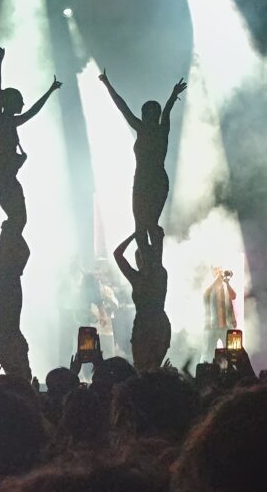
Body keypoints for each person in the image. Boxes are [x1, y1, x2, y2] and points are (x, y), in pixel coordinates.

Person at [99, 70, 186, 236]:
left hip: (147, 181)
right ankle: (152, 252)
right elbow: (165, 111)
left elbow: (122, 107)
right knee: (148, 226)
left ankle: (152, 251)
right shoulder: (159, 130)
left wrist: (107, 84)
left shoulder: (144, 129)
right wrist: (173, 95)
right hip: (153, 180)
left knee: (143, 227)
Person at [0, 42, 61, 231]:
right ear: (10, 102)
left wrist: (50, 90)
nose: (23, 103)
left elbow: (32, 111)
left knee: (19, 219)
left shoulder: (10, 122)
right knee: (17, 219)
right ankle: (7, 246)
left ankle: (9, 244)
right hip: (0, 175)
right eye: (20, 100)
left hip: (4, 175)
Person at [114, 228, 170, 372]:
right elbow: (117, 254)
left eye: (139, 258)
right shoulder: (158, 274)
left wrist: (135, 235)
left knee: (143, 368)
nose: (138, 262)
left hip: (146, 325)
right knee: (150, 368)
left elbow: (117, 254)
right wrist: (138, 234)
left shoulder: (140, 278)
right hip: (156, 323)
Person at [203, 266, 237, 357]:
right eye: (216, 269)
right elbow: (206, 294)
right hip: (212, 326)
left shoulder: (225, 286)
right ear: (212, 272)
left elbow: (233, 296)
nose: (219, 271)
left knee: (230, 352)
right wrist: (217, 278)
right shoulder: (210, 285)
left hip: (226, 326)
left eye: (219, 268)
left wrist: (227, 283)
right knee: (209, 353)